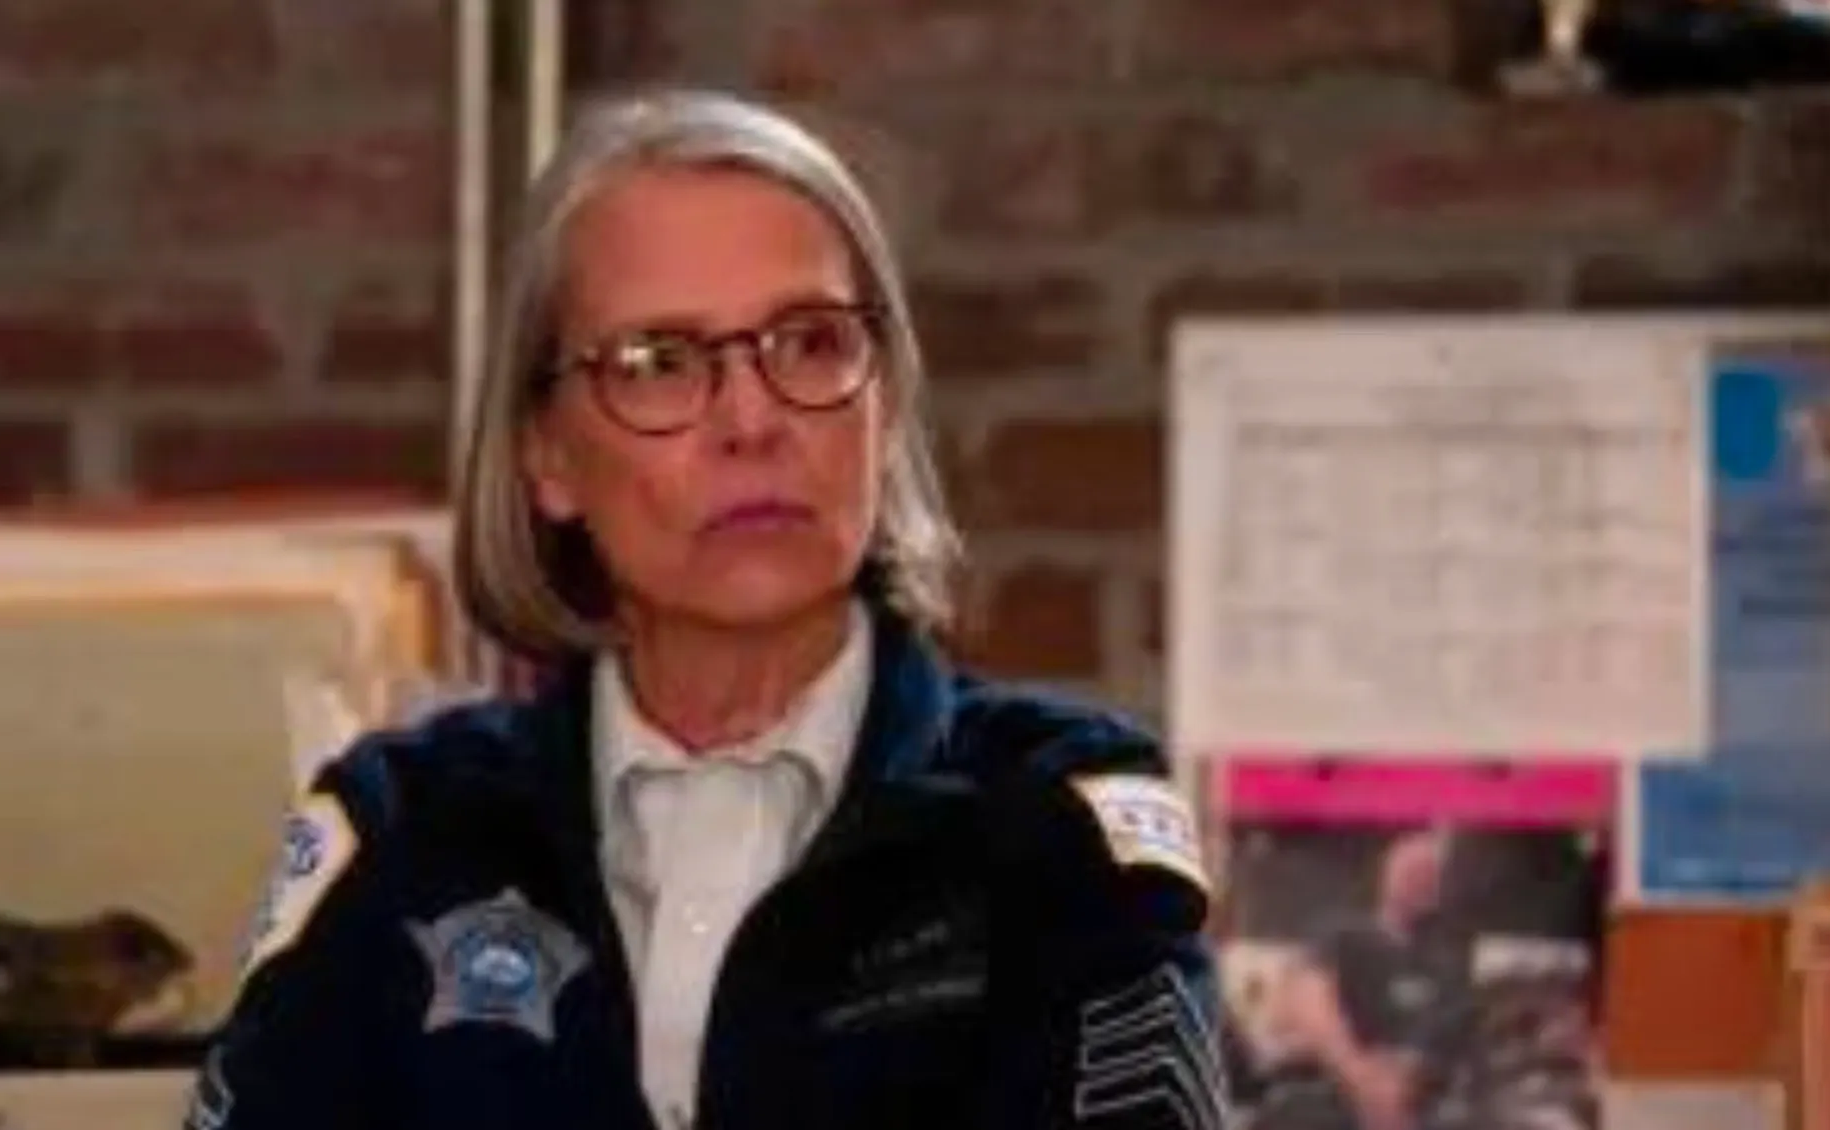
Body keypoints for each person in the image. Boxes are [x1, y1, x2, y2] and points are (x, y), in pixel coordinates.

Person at [181, 88, 1226, 1130]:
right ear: (546, 454)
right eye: (659, 364)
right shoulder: (404, 834)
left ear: (885, 401)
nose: (750, 420)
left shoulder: (1055, 827)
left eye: (810, 343)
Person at [1270, 829, 1473, 1130]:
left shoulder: (1450, 958)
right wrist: (1360, 1077)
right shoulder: (1343, 935)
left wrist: (1405, 1077)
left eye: (1430, 873)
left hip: (1421, 1101)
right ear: (1386, 873)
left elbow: (1450, 1035)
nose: (1419, 880)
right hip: (1338, 1087)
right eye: (1411, 869)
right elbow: (1309, 1001)